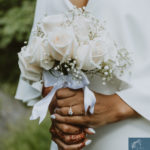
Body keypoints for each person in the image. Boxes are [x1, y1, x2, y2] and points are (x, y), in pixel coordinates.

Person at [15, 0, 150, 150]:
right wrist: (60, 108)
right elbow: (41, 56)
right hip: (71, 140)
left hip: (137, 131)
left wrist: (119, 107)